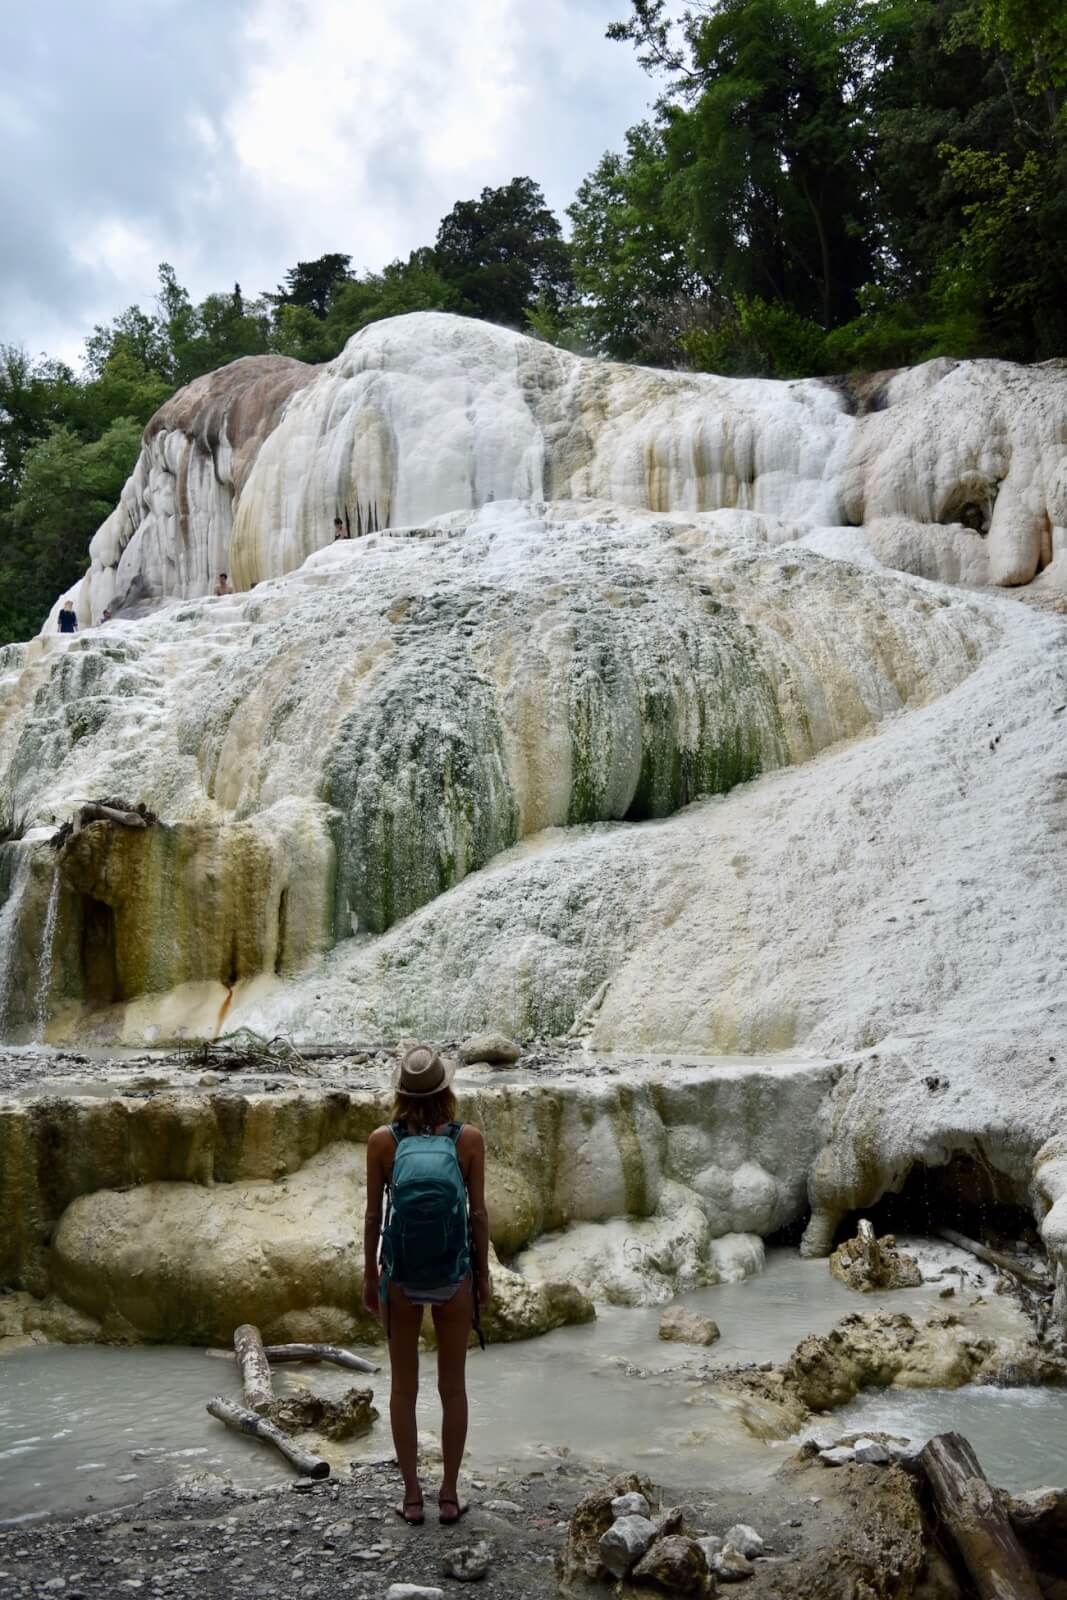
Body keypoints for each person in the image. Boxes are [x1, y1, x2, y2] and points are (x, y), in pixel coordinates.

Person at [363, 1045, 491, 1526]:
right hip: (452, 1274)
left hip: (401, 1276)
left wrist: (370, 1275)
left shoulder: (383, 1141)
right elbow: (477, 1215)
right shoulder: (469, 1140)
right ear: (447, 1090)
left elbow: (375, 1217)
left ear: (400, 1093)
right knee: (452, 1388)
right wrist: (483, 1277)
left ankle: (412, 1498)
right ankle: (450, 1496)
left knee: (403, 1389)